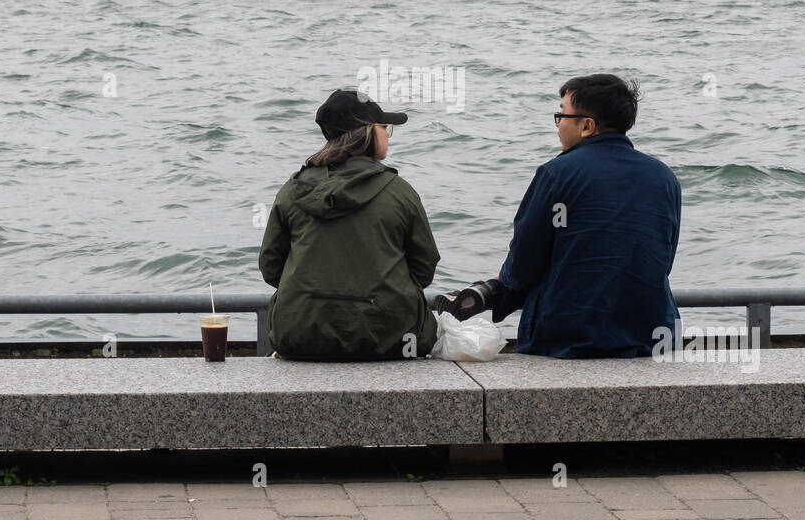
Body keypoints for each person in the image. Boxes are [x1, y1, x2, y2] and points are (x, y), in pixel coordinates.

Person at [479, 73, 681, 357]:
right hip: (651, 334)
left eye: (561, 115)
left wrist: (502, 286)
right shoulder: (665, 178)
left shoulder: (557, 174)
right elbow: (663, 258)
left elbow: (526, 259)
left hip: (569, 335)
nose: (558, 124)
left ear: (587, 126)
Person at [258, 88, 440, 360]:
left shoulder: (292, 190)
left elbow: (271, 267)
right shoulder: (400, 192)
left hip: (300, 336)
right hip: (391, 336)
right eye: (384, 128)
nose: (387, 136)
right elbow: (424, 269)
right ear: (367, 132)